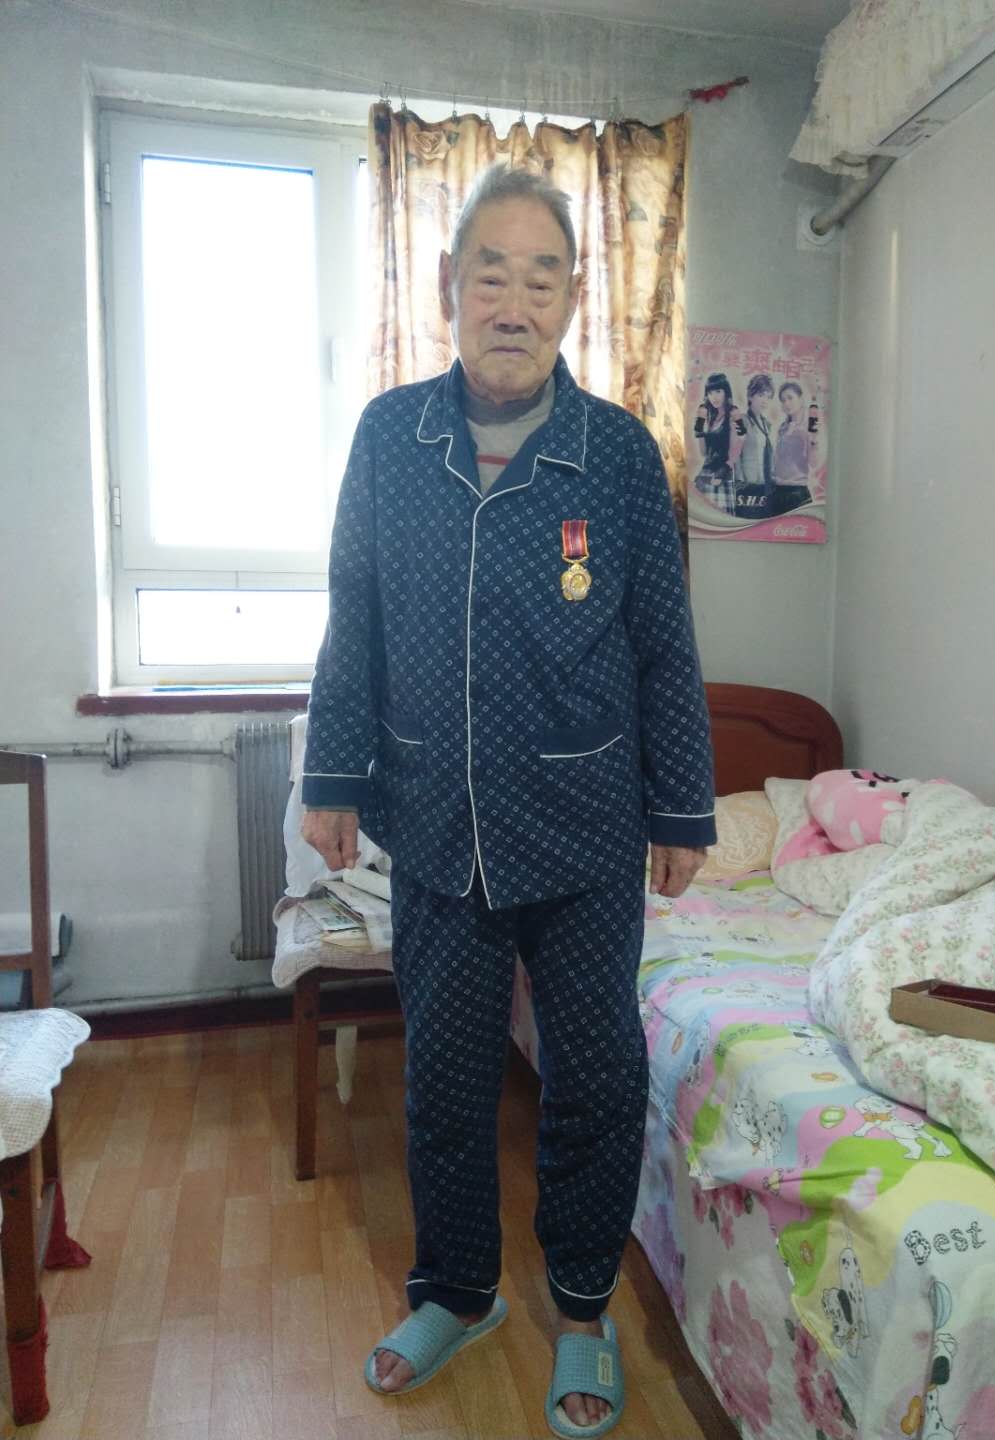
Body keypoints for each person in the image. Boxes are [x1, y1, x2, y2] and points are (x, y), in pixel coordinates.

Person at [301, 164, 716, 1439]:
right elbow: (356, 615)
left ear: (573, 299)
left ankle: (581, 1310)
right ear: (449, 286)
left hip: (586, 828)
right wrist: (332, 776)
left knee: (596, 1077)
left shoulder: (619, 455)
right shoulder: (392, 437)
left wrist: (681, 809)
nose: (515, 303)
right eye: (493, 273)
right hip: (436, 821)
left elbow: (663, 643)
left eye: (543, 278)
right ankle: (459, 1292)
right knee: (445, 1081)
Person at [692, 371, 745, 513]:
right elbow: (704, 453)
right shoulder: (711, 417)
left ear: (726, 392)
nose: (713, 397)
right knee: (704, 518)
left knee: (720, 518)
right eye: (710, 393)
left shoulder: (734, 413)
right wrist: (699, 429)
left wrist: (724, 470)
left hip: (722, 473)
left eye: (718, 391)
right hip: (706, 473)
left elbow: (739, 444)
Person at [733, 371, 776, 511]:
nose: (765, 401)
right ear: (750, 396)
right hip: (747, 485)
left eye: (768, 397)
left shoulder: (767, 425)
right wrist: (740, 481)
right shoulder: (741, 420)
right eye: (761, 395)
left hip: (765, 485)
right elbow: (735, 454)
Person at [771, 380, 815, 513]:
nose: (786, 403)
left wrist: (813, 440)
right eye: (783, 400)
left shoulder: (809, 427)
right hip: (777, 491)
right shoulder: (782, 428)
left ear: (801, 399)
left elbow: (814, 462)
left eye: (790, 398)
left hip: (797, 492)